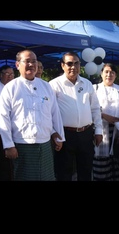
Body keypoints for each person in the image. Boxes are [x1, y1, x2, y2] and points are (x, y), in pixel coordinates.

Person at [0, 49, 65, 181]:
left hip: (45, 142)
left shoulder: (46, 86)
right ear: (17, 65)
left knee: (47, 177)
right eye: (27, 61)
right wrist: (8, 145)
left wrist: (58, 134)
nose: (31, 65)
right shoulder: (10, 88)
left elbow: (54, 113)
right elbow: (3, 117)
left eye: (33, 61)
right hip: (22, 144)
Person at [49, 51, 103, 181]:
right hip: (65, 135)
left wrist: (99, 131)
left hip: (86, 133)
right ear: (62, 66)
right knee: (64, 172)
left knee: (85, 171)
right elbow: (48, 112)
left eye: (76, 63)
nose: (73, 67)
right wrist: (54, 133)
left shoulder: (87, 84)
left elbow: (95, 108)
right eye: (69, 63)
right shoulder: (53, 85)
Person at [92, 63, 119, 181]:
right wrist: (105, 116)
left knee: (117, 161)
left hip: (118, 130)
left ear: (116, 75)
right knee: (101, 162)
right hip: (100, 129)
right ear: (101, 73)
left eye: (112, 72)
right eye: (106, 71)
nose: (109, 74)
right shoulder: (94, 88)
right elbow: (88, 108)